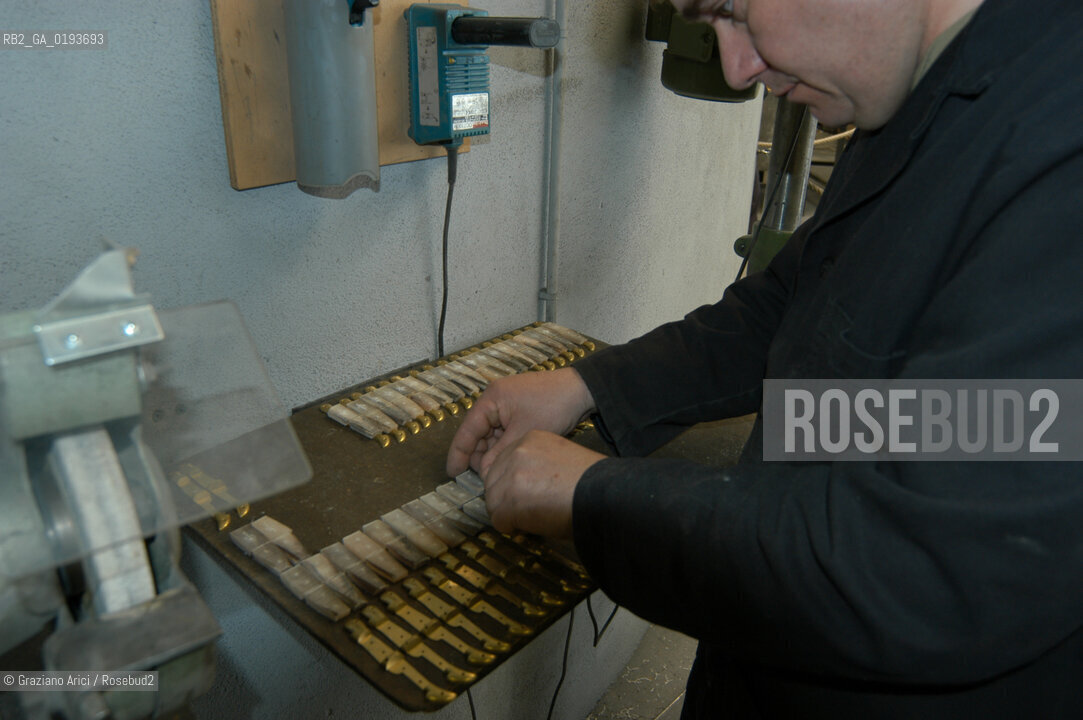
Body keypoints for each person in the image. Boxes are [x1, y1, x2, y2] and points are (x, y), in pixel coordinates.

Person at [447, 0, 1083, 716]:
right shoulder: (912, 89)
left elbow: (920, 560)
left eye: (735, 11)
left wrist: (596, 497)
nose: (735, 66)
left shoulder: (1057, 142)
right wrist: (590, 384)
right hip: (770, 644)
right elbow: (797, 297)